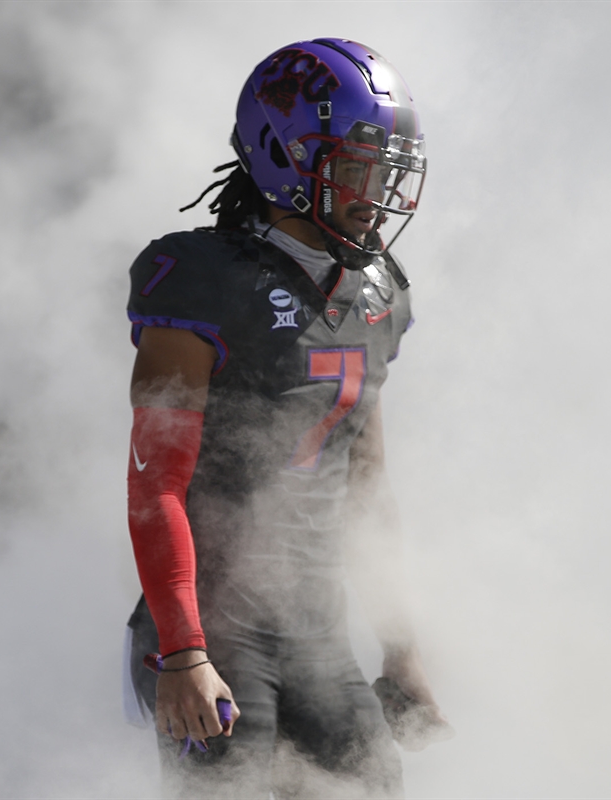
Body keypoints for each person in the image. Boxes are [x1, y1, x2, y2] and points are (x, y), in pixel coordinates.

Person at [123, 38, 447, 797]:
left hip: (314, 630)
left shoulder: (374, 294)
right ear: (285, 158)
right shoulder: (204, 281)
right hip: (210, 629)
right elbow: (155, 486)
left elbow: (368, 490)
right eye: (359, 168)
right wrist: (182, 654)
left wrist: (401, 651)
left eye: (387, 171)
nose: (377, 194)